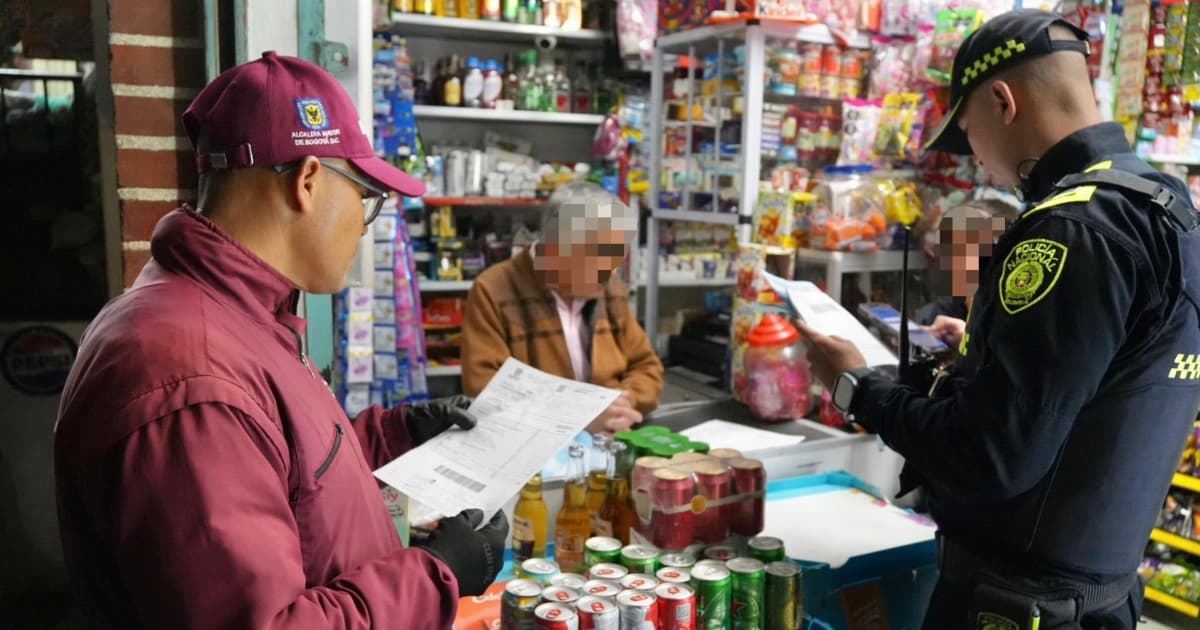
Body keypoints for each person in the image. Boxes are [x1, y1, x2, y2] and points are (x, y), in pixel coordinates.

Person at [54, 52, 507, 629]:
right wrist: (437, 573)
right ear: (308, 182)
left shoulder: (234, 317)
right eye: (365, 198)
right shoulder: (194, 382)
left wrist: (396, 434)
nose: (363, 227)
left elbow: (282, 473)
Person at [798, 10, 1200, 628]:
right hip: (1099, 597)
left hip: (1013, 603)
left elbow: (991, 457)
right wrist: (985, 351)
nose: (979, 161)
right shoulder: (1165, 206)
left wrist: (858, 386)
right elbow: (1114, 381)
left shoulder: (1069, 228)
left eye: (969, 134)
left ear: (1002, 102)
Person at [461, 182, 664, 434]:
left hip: (610, 439)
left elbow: (646, 367)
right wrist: (579, 417)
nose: (611, 272)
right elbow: (484, 391)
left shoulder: (608, 287)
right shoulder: (493, 290)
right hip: (532, 445)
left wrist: (622, 402)